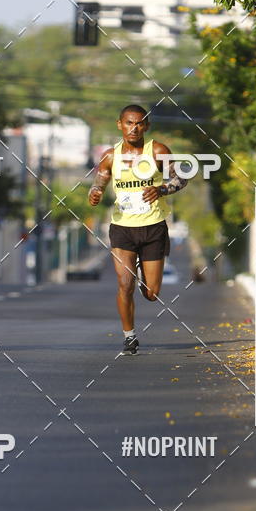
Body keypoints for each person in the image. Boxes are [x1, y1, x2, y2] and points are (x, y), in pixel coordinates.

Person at [88, 104, 187, 355]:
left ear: (147, 126)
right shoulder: (110, 156)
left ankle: (145, 274)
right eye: (129, 123)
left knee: (152, 294)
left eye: (139, 123)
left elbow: (181, 178)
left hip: (153, 226)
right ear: (120, 125)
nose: (134, 128)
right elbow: (98, 181)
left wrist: (161, 189)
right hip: (123, 227)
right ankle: (129, 336)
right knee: (124, 283)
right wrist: (95, 192)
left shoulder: (157, 151)